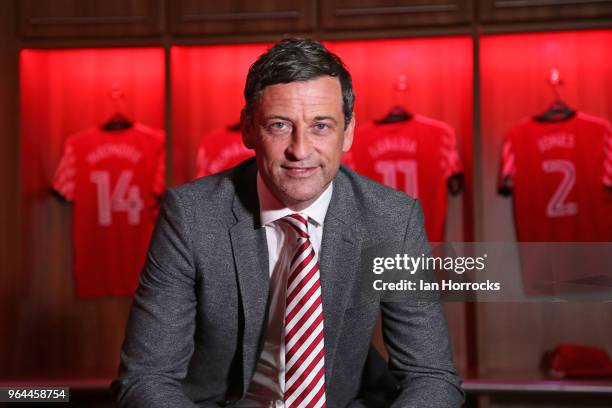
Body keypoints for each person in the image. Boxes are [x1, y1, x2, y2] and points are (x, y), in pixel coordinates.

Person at [111, 38, 463, 407]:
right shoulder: (191, 215)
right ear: (248, 129)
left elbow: (431, 376)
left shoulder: (391, 219)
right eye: (280, 125)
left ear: (349, 131)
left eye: (321, 126)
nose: (300, 149)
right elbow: (146, 378)